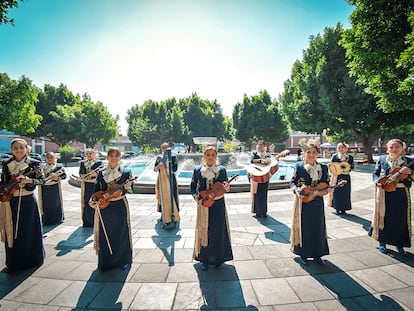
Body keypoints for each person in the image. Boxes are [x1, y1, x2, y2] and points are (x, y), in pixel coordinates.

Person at [0, 138, 45, 270]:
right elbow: (3, 182)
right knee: (12, 230)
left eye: (21, 147)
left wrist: (29, 180)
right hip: (11, 201)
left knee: (29, 230)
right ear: (12, 150)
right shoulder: (6, 164)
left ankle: (33, 259)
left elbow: (42, 181)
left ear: (26, 149)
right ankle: (14, 260)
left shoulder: (34, 163)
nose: (18, 150)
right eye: (15, 148)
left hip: (28, 201)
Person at [89, 147, 133, 271]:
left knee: (121, 232)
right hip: (104, 206)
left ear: (120, 157)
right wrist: (92, 201)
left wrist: (128, 187)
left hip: (119, 205)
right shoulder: (101, 172)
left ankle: (123, 260)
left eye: (116, 155)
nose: (114, 158)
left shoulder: (126, 171)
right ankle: (106, 261)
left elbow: (130, 189)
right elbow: (96, 189)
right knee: (105, 233)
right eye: (111, 155)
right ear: (107, 157)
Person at [190, 145, 233, 271]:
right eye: (208, 155)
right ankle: (205, 259)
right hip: (204, 205)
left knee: (218, 231)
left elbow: (226, 186)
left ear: (216, 157)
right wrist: (196, 197)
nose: (210, 158)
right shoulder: (197, 170)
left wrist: (227, 188)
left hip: (218, 206)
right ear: (204, 156)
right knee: (205, 231)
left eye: (213, 155)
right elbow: (192, 187)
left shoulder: (222, 170)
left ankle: (219, 258)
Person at [290, 143, 331, 266]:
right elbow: (292, 182)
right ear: (304, 154)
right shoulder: (299, 166)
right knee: (305, 228)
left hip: (317, 202)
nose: (311, 155)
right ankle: (304, 254)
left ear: (317, 154)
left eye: (313, 152)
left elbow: (326, 184)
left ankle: (318, 254)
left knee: (318, 228)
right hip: (303, 202)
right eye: (308, 152)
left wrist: (327, 190)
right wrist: (296, 190)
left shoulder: (323, 168)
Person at [371, 138, 413, 256]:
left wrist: (408, 173)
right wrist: (376, 181)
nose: (394, 149)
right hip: (385, 193)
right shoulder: (382, 159)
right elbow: (376, 173)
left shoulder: (408, 161)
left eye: (397, 147)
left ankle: (399, 244)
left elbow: (411, 178)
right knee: (383, 217)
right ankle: (382, 242)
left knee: (400, 218)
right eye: (391, 147)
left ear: (402, 148)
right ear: (387, 148)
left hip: (401, 193)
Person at [154, 142, 180, 228]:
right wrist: (159, 167)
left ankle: (174, 213)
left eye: (166, 147)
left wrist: (167, 167)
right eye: (163, 148)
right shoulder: (159, 158)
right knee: (162, 196)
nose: (165, 149)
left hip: (171, 178)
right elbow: (154, 169)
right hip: (161, 179)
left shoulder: (173, 157)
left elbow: (175, 169)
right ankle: (163, 214)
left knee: (173, 194)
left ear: (169, 148)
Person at [38, 152, 67, 225]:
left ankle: (57, 219)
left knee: (56, 203)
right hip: (44, 188)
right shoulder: (41, 167)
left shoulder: (59, 166)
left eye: (52, 157)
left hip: (55, 187)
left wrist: (57, 177)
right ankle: (47, 220)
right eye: (48, 157)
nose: (50, 159)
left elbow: (64, 176)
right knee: (45, 203)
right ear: (45, 159)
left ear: (55, 158)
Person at [79, 149, 102, 227]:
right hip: (86, 185)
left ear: (94, 154)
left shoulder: (99, 163)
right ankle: (87, 221)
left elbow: (101, 173)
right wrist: (82, 176)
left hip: (94, 185)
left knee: (94, 201)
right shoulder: (82, 163)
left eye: (90, 153)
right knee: (86, 202)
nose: (89, 155)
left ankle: (95, 221)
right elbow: (80, 173)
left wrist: (95, 175)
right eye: (87, 154)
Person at [328, 142, 354, 215]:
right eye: (339, 147)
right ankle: (336, 208)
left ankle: (344, 209)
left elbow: (351, 167)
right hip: (336, 176)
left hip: (345, 176)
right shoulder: (334, 156)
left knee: (345, 193)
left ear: (346, 148)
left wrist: (346, 168)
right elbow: (332, 166)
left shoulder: (350, 157)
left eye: (342, 147)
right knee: (336, 193)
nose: (341, 149)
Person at [249, 141, 272, 218]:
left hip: (265, 176)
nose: (260, 147)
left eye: (261, 145)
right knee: (256, 193)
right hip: (256, 176)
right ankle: (257, 211)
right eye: (258, 145)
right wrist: (259, 160)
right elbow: (251, 161)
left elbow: (270, 161)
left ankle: (263, 211)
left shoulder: (267, 154)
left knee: (264, 193)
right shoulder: (254, 154)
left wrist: (266, 161)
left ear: (265, 147)